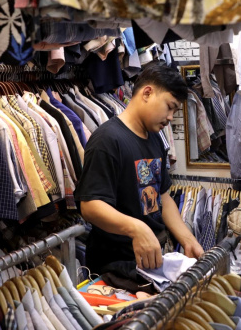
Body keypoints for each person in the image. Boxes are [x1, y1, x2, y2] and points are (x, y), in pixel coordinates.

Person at [75, 64, 204, 273]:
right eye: (169, 107)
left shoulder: (155, 138)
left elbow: (163, 196)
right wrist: (136, 228)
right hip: (115, 266)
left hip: (151, 263)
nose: (170, 117)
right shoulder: (107, 140)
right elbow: (90, 206)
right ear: (147, 93)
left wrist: (188, 240)